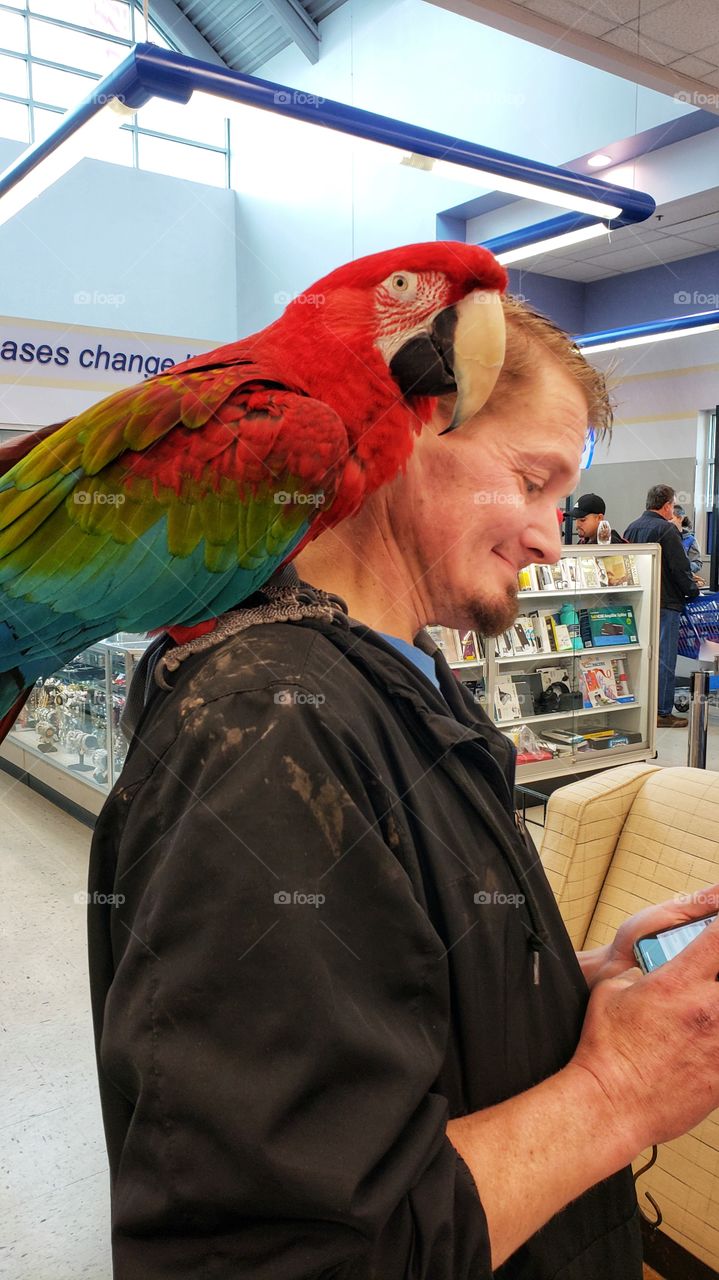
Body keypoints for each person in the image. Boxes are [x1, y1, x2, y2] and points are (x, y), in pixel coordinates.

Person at [88, 298, 719, 1279]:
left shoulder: (410, 678)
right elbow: (287, 1254)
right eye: (531, 480)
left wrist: (565, 988)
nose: (554, 539)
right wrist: (619, 1086)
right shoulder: (272, 731)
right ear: (413, 435)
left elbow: (387, 1008)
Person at [624, 485, 700, 728]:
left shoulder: (632, 528)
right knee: (665, 658)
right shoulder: (667, 530)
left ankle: (641, 706)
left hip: (638, 603)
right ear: (667, 505)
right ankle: (662, 712)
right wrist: (692, 590)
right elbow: (680, 569)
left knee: (640, 656)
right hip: (666, 604)